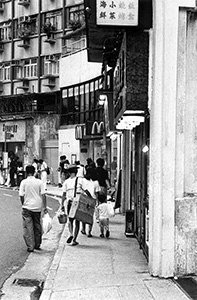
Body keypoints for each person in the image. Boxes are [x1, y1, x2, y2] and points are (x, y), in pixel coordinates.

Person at [19, 165, 48, 252]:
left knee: (28, 227)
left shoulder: (23, 182)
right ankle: (37, 244)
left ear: (26, 172)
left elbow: (21, 195)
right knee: (37, 225)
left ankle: (30, 246)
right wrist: (44, 207)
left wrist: (23, 203)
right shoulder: (39, 182)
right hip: (37, 207)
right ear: (34, 172)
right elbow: (43, 195)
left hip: (27, 207)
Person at [61, 164, 83, 246]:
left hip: (70, 202)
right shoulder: (80, 180)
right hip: (77, 202)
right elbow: (85, 191)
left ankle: (70, 233)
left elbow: (63, 194)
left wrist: (62, 205)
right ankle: (74, 240)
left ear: (69, 173)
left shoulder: (66, 182)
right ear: (76, 172)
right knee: (77, 221)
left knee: (70, 220)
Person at [81, 168, 101, 237]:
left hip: (84, 199)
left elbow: (81, 189)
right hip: (92, 200)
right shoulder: (96, 182)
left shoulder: (83, 180)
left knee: (83, 214)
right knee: (90, 216)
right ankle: (89, 232)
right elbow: (97, 193)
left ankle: (83, 229)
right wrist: (98, 202)